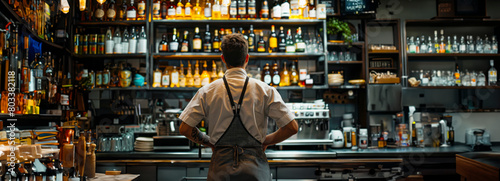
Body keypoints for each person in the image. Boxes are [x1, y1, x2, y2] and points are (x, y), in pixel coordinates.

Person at [179, 33, 298, 181]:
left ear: (223, 59)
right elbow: (292, 127)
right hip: (256, 171)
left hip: (220, 171)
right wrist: (266, 141)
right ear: (247, 58)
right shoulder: (265, 90)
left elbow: (185, 128)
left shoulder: (207, 91)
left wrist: (209, 142)